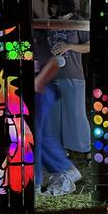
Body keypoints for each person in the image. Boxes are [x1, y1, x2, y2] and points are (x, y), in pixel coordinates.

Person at [33, 29, 80, 196]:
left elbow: (52, 62)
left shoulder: (32, 38)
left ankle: (37, 181)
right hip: (41, 89)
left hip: (41, 90)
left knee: (35, 135)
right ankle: (64, 170)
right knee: (41, 135)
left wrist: (37, 83)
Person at [46, 0, 91, 157]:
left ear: (62, 5)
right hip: (51, 76)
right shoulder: (50, 23)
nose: (51, 9)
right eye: (51, 6)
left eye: (54, 6)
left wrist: (69, 46)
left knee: (75, 113)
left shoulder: (78, 22)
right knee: (55, 116)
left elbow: (89, 46)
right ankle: (60, 149)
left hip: (73, 74)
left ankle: (84, 148)